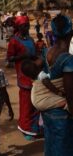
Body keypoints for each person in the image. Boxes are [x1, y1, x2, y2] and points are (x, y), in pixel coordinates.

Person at [41, 14, 73, 156]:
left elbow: (40, 74)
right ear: (70, 32)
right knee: (63, 149)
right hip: (62, 113)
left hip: (48, 110)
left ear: (53, 33)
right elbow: (70, 93)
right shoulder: (67, 59)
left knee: (51, 145)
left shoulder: (47, 52)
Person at [6, 16, 42, 140]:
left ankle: (35, 126)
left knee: (35, 103)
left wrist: (38, 55)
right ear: (19, 27)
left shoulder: (31, 39)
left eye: (28, 25)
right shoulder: (14, 41)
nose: (27, 28)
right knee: (26, 103)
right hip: (24, 76)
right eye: (24, 26)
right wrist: (22, 56)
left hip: (34, 74)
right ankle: (26, 128)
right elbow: (9, 58)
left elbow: (36, 53)